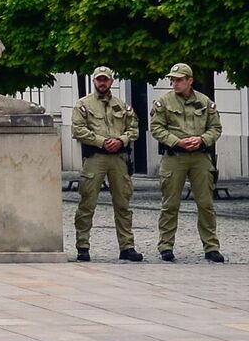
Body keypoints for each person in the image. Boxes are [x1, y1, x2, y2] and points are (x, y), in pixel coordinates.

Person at [151, 62, 224, 263]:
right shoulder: (163, 102)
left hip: (200, 157)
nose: (174, 83)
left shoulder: (204, 101)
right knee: (170, 203)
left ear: (189, 80)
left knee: (206, 204)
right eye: (172, 80)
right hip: (175, 157)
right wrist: (177, 141)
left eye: (179, 80)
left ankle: (211, 246)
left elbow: (216, 128)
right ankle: (166, 245)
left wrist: (202, 139)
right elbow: (156, 128)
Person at [73, 65, 139, 262]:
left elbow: (134, 128)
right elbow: (78, 130)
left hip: (119, 158)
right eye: (99, 79)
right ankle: (82, 246)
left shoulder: (122, 106)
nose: (102, 83)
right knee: (87, 203)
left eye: (106, 79)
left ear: (111, 81)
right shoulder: (83, 105)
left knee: (123, 204)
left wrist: (121, 140)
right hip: (96, 158)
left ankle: (127, 246)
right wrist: (102, 141)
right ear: (94, 81)